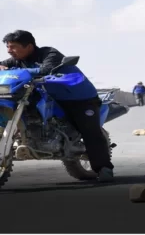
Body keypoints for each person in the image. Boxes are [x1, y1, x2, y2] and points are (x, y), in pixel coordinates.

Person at [0, 30, 114, 182]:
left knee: (90, 131)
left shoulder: (50, 53)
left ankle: (104, 169)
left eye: (13, 47)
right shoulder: (17, 59)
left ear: (28, 46)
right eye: (8, 47)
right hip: (51, 96)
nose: (9, 51)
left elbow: (46, 70)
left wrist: (21, 71)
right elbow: (4, 66)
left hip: (78, 98)